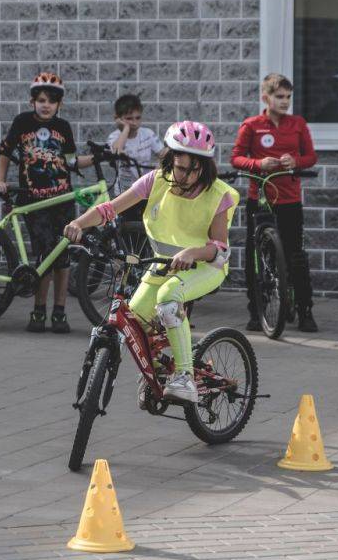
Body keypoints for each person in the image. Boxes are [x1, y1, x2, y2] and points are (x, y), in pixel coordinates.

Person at [64, 121, 239, 403]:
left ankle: (184, 377)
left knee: (169, 298)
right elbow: (110, 208)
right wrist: (79, 223)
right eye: (181, 168)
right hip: (164, 264)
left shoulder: (218, 195)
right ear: (171, 159)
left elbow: (218, 248)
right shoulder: (155, 180)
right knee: (134, 321)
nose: (188, 176)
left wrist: (193, 253)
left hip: (207, 267)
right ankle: (158, 374)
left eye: (196, 169)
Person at [0, 72, 94, 334]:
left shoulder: (63, 128)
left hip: (61, 199)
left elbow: (71, 162)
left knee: (61, 256)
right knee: (44, 255)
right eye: (41, 100)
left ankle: (59, 312)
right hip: (34, 199)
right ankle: (38, 311)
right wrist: (0, 179)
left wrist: (97, 158)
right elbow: (5, 150)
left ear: (59, 105)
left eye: (51, 101)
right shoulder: (22, 122)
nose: (46, 105)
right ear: (32, 102)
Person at [231, 73, 318, 332]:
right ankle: (257, 310)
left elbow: (311, 156)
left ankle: (305, 310)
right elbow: (236, 158)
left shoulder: (298, 124)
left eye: (288, 97)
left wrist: (297, 162)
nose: (285, 102)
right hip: (261, 200)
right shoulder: (251, 125)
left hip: (290, 199)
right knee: (256, 255)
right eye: (279, 97)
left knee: (295, 255)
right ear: (265, 98)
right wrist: (257, 164)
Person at [106, 93, 162, 221]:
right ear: (118, 118)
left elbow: (163, 153)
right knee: (126, 232)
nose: (135, 122)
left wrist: (160, 166)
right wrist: (125, 129)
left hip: (147, 192)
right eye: (129, 119)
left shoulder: (148, 134)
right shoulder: (114, 137)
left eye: (138, 118)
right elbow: (116, 151)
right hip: (124, 193)